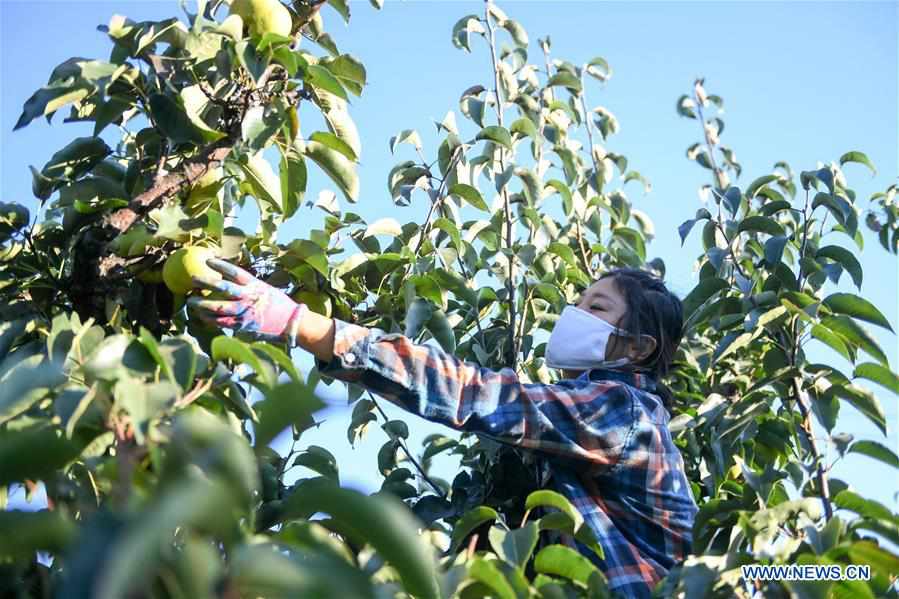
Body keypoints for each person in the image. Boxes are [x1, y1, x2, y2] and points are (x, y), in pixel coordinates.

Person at [188, 260, 698, 599]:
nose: (574, 314)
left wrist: (303, 325)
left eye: (597, 308)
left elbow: (481, 395)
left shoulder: (621, 409)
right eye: (579, 301)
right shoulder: (589, 417)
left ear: (636, 348)